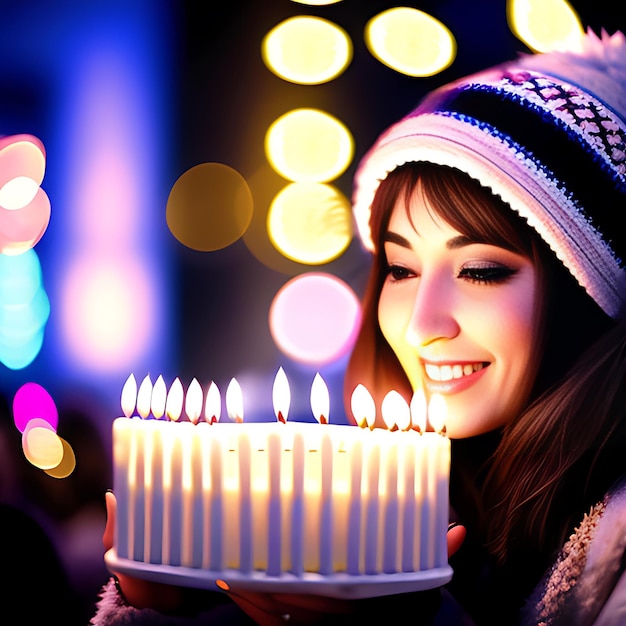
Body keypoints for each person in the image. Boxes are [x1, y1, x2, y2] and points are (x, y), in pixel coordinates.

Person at [92, 28, 626, 625]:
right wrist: (168, 610)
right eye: (400, 268)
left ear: (588, 293)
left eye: (478, 271)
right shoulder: (388, 509)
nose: (423, 323)